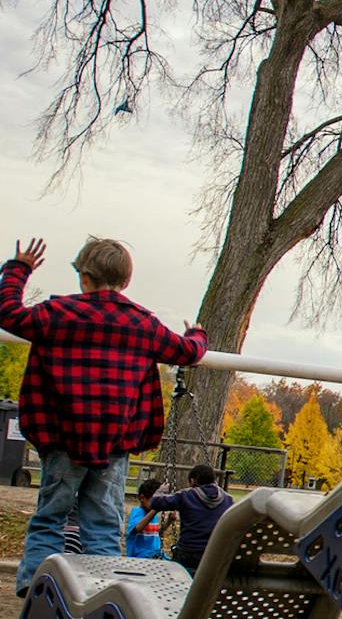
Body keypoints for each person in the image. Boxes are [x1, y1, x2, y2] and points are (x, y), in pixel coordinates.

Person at [2, 237, 207, 595]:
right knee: (103, 522)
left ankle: (35, 587)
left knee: (51, 516)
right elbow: (188, 352)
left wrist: (19, 269)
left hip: (62, 437)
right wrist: (197, 333)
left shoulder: (57, 314)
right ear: (125, 281)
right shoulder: (143, 324)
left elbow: (8, 313)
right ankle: (101, 594)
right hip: (114, 442)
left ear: (84, 277)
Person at [151, 464, 235, 572]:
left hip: (188, 552)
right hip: (214, 553)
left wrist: (161, 490)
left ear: (193, 480)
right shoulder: (228, 500)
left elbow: (156, 503)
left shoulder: (186, 495)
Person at [125, 479, 168, 560]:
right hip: (140, 556)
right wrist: (155, 510)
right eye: (154, 501)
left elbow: (156, 533)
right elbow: (137, 528)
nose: (157, 503)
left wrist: (169, 521)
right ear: (142, 498)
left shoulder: (152, 515)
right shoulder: (137, 512)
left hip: (155, 553)